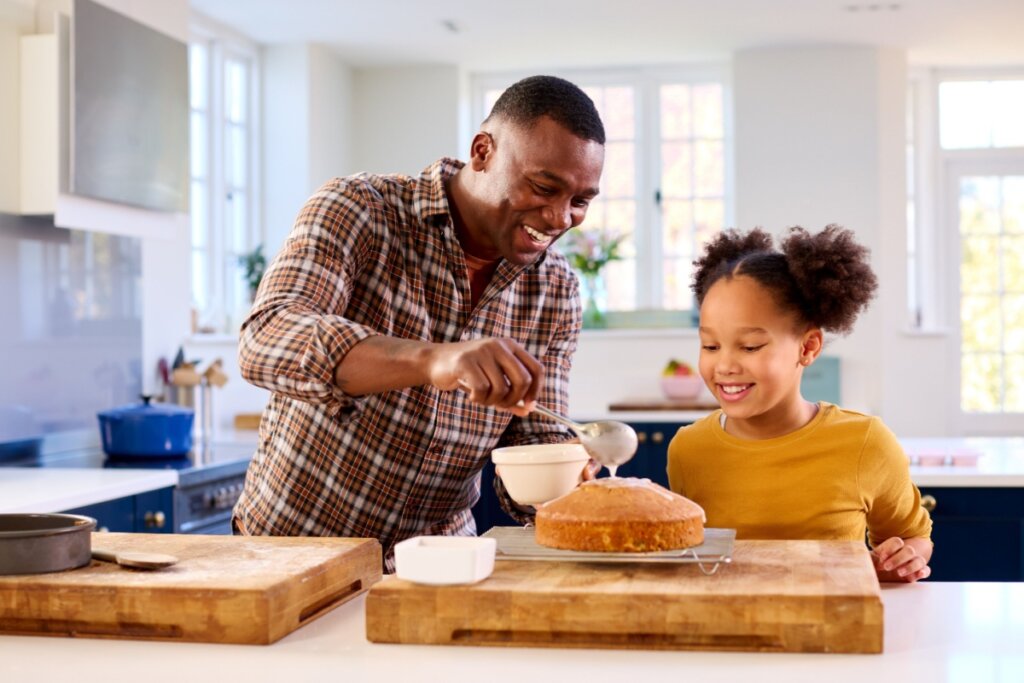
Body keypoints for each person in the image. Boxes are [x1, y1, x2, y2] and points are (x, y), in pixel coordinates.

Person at [232, 75, 605, 571]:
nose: (560, 218)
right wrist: (434, 360)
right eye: (544, 187)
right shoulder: (361, 210)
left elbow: (534, 437)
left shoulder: (555, 289)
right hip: (291, 554)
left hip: (442, 566)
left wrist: (564, 473)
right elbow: (265, 338)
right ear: (482, 152)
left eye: (581, 201)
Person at [667, 225, 933, 582]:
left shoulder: (865, 442)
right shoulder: (688, 450)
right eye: (710, 346)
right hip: (727, 628)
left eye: (749, 347)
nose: (725, 366)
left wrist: (900, 560)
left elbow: (913, 536)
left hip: (831, 629)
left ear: (807, 347)